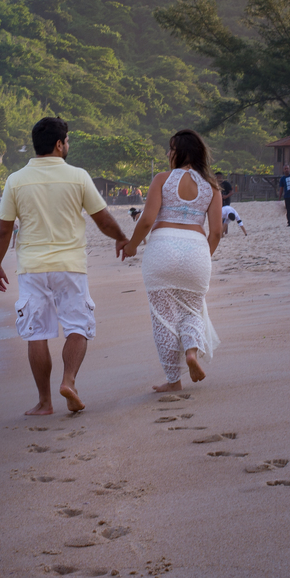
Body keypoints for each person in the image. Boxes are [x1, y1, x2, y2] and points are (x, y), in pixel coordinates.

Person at [0, 116, 128, 416]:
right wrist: (121, 238)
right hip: (70, 266)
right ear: (58, 144)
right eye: (67, 141)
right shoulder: (78, 176)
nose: (68, 145)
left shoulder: (16, 180)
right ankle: (69, 381)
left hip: (32, 267)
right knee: (78, 327)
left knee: (36, 334)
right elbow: (102, 219)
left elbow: (3, 229)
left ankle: (45, 402)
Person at [121, 129, 221, 392]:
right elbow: (217, 232)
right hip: (197, 249)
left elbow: (146, 220)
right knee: (192, 309)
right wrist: (203, 257)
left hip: (162, 249)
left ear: (180, 152)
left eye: (170, 148)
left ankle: (173, 380)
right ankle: (191, 353)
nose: (167, 154)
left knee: (163, 316)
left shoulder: (162, 179)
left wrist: (131, 246)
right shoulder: (211, 187)